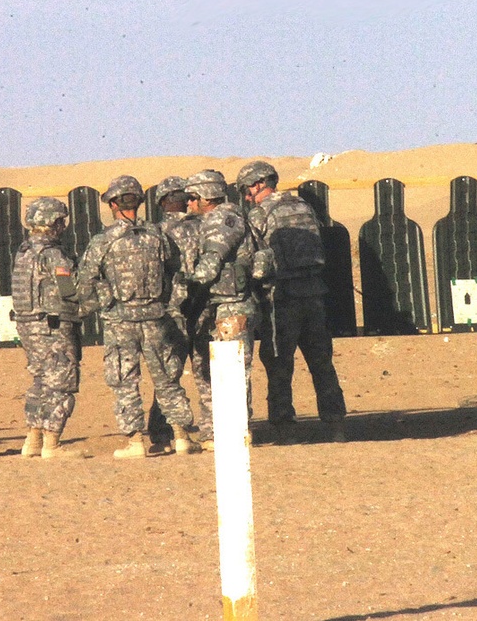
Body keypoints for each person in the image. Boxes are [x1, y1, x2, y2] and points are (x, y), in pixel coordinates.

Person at [77, 175, 199, 458]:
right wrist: (166, 303)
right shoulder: (158, 236)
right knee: (167, 379)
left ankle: (135, 443)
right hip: (156, 318)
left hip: (120, 322)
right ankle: (181, 437)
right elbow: (176, 273)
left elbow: (85, 282)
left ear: (114, 204)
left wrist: (105, 301)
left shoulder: (104, 241)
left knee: (124, 381)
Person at [237, 160, 347, 444]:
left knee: (279, 366)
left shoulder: (259, 215)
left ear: (259, 183)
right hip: (314, 295)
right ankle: (336, 426)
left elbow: (255, 259)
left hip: (281, 298)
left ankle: (285, 430)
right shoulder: (303, 207)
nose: (247, 196)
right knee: (322, 363)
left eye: (247, 189)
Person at [185, 169, 259, 448]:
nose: (189, 204)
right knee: (223, 369)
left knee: (234, 370)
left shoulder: (222, 220)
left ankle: (238, 433)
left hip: (232, 305)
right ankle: (224, 431)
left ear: (208, 196)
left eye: (193, 198)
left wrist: (185, 284)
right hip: (223, 304)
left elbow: (211, 263)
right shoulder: (225, 217)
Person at [11, 197, 83, 459]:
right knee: (61, 383)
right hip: (53, 327)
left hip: (29, 327)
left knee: (40, 381)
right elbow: (68, 291)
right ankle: (51, 445)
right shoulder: (53, 255)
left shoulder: (23, 252)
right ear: (54, 222)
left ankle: (32, 441)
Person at [146, 175, 205, 453]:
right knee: (206, 372)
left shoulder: (155, 233)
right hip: (205, 306)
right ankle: (213, 430)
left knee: (169, 374)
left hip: (171, 309)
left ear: (161, 202)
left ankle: (161, 433)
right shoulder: (206, 227)